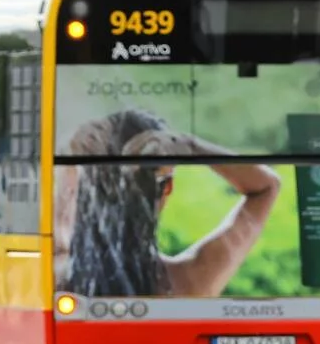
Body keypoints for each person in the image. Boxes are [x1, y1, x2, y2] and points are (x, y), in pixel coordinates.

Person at [55, 107, 281, 297]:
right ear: (167, 190)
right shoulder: (188, 280)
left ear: (82, 191)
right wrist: (188, 144)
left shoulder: (49, 278)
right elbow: (265, 187)